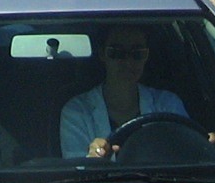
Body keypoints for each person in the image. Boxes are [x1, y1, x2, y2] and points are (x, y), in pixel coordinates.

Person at [59, 25, 189, 160]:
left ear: (147, 55)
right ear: (102, 54)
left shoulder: (168, 104)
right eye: (117, 52)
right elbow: (76, 171)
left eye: (137, 53)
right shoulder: (76, 111)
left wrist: (207, 148)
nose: (128, 62)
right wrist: (93, 160)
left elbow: (187, 156)